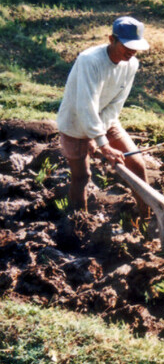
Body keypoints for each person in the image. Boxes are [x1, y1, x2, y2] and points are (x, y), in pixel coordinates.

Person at [57, 16, 150, 216]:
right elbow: (85, 105)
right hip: (74, 122)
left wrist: (100, 137)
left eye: (136, 47)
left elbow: (117, 103)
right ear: (112, 39)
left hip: (106, 120)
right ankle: (77, 224)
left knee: (136, 164)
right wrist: (102, 143)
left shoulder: (131, 64)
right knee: (82, 177)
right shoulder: (89, 60)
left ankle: (146, 218)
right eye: (127, 45)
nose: (131, 52)